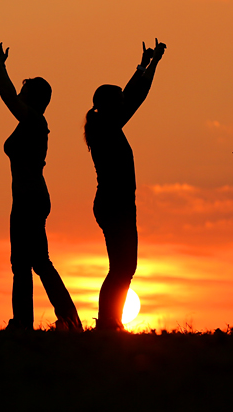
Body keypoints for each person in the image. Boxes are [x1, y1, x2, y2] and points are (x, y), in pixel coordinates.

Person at [0, 34, 82, 332]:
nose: (20, 95)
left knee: (30, 263)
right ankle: (45, 320)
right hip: (28, 198)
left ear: (35, 99)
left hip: (29, 199)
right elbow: (11, 98)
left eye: (25, 91)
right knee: (32, 263)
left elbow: (6, 96)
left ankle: (44, 321)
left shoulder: (35, 122)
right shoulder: (30, 123)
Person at [85, 39, 166, 331]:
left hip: (117, 204)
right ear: (106, 106)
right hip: (113, 205)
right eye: (117, 100)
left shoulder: (106, 124)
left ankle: (110, 322)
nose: (123, 103)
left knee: (124, 267)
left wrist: (146, 65)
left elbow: (132, 95)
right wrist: (149, 65)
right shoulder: (105, 128)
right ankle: (108, 322)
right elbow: (135, 96)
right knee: (121, 267)